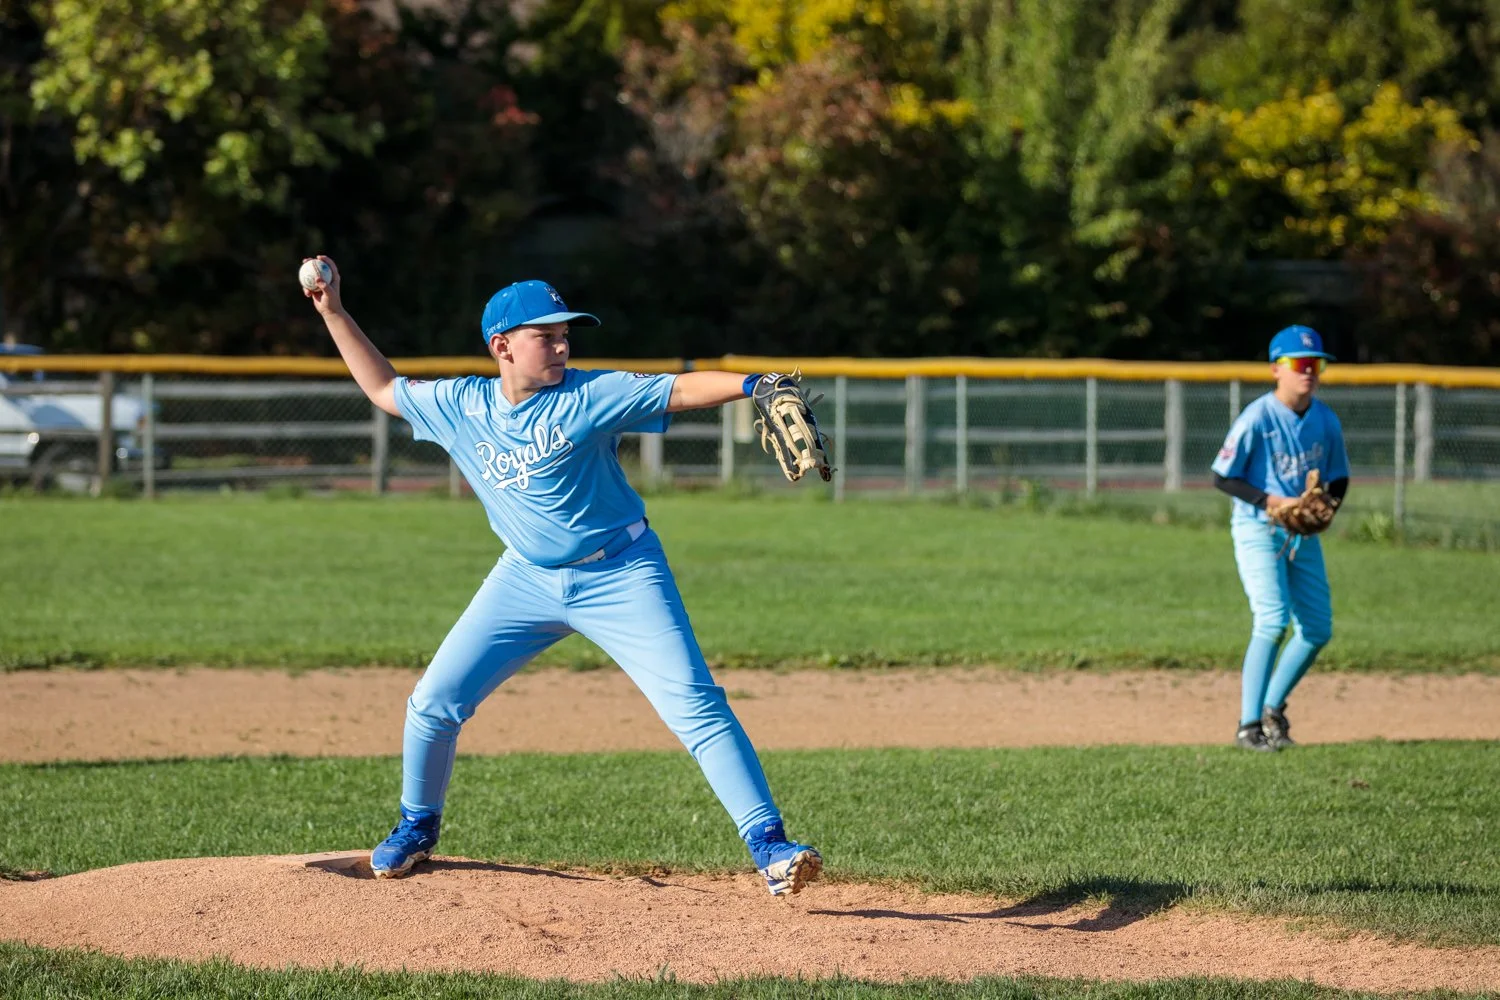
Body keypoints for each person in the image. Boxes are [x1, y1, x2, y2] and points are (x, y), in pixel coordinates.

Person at [301, 256, 823, 895]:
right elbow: (383, 390)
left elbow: (679, 388)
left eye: (564, 331)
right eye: (544, 334)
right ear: (502, 347)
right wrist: (332, 311)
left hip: (624, 573)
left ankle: (769, 846)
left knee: (695, 706)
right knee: (433, 703)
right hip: (523, 580)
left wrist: (755, 385)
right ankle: (416, 827)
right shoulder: (460, 405)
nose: (561, 342)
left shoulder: (589, 393)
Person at [1210, 325, 1350, 751]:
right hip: (1257, 528)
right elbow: (1223, 476)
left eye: (1316, 364)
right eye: (1300, 364)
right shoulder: (1257, 417)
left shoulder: (1324, 419)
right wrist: (1270, 500)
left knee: (1317, 629)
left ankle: (1272, 709)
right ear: (1277, 369)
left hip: (1300, 535)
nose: (1309, 372)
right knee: (1272, 620)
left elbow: (1339, 476)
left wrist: (1325, 506)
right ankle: (1248, 726)